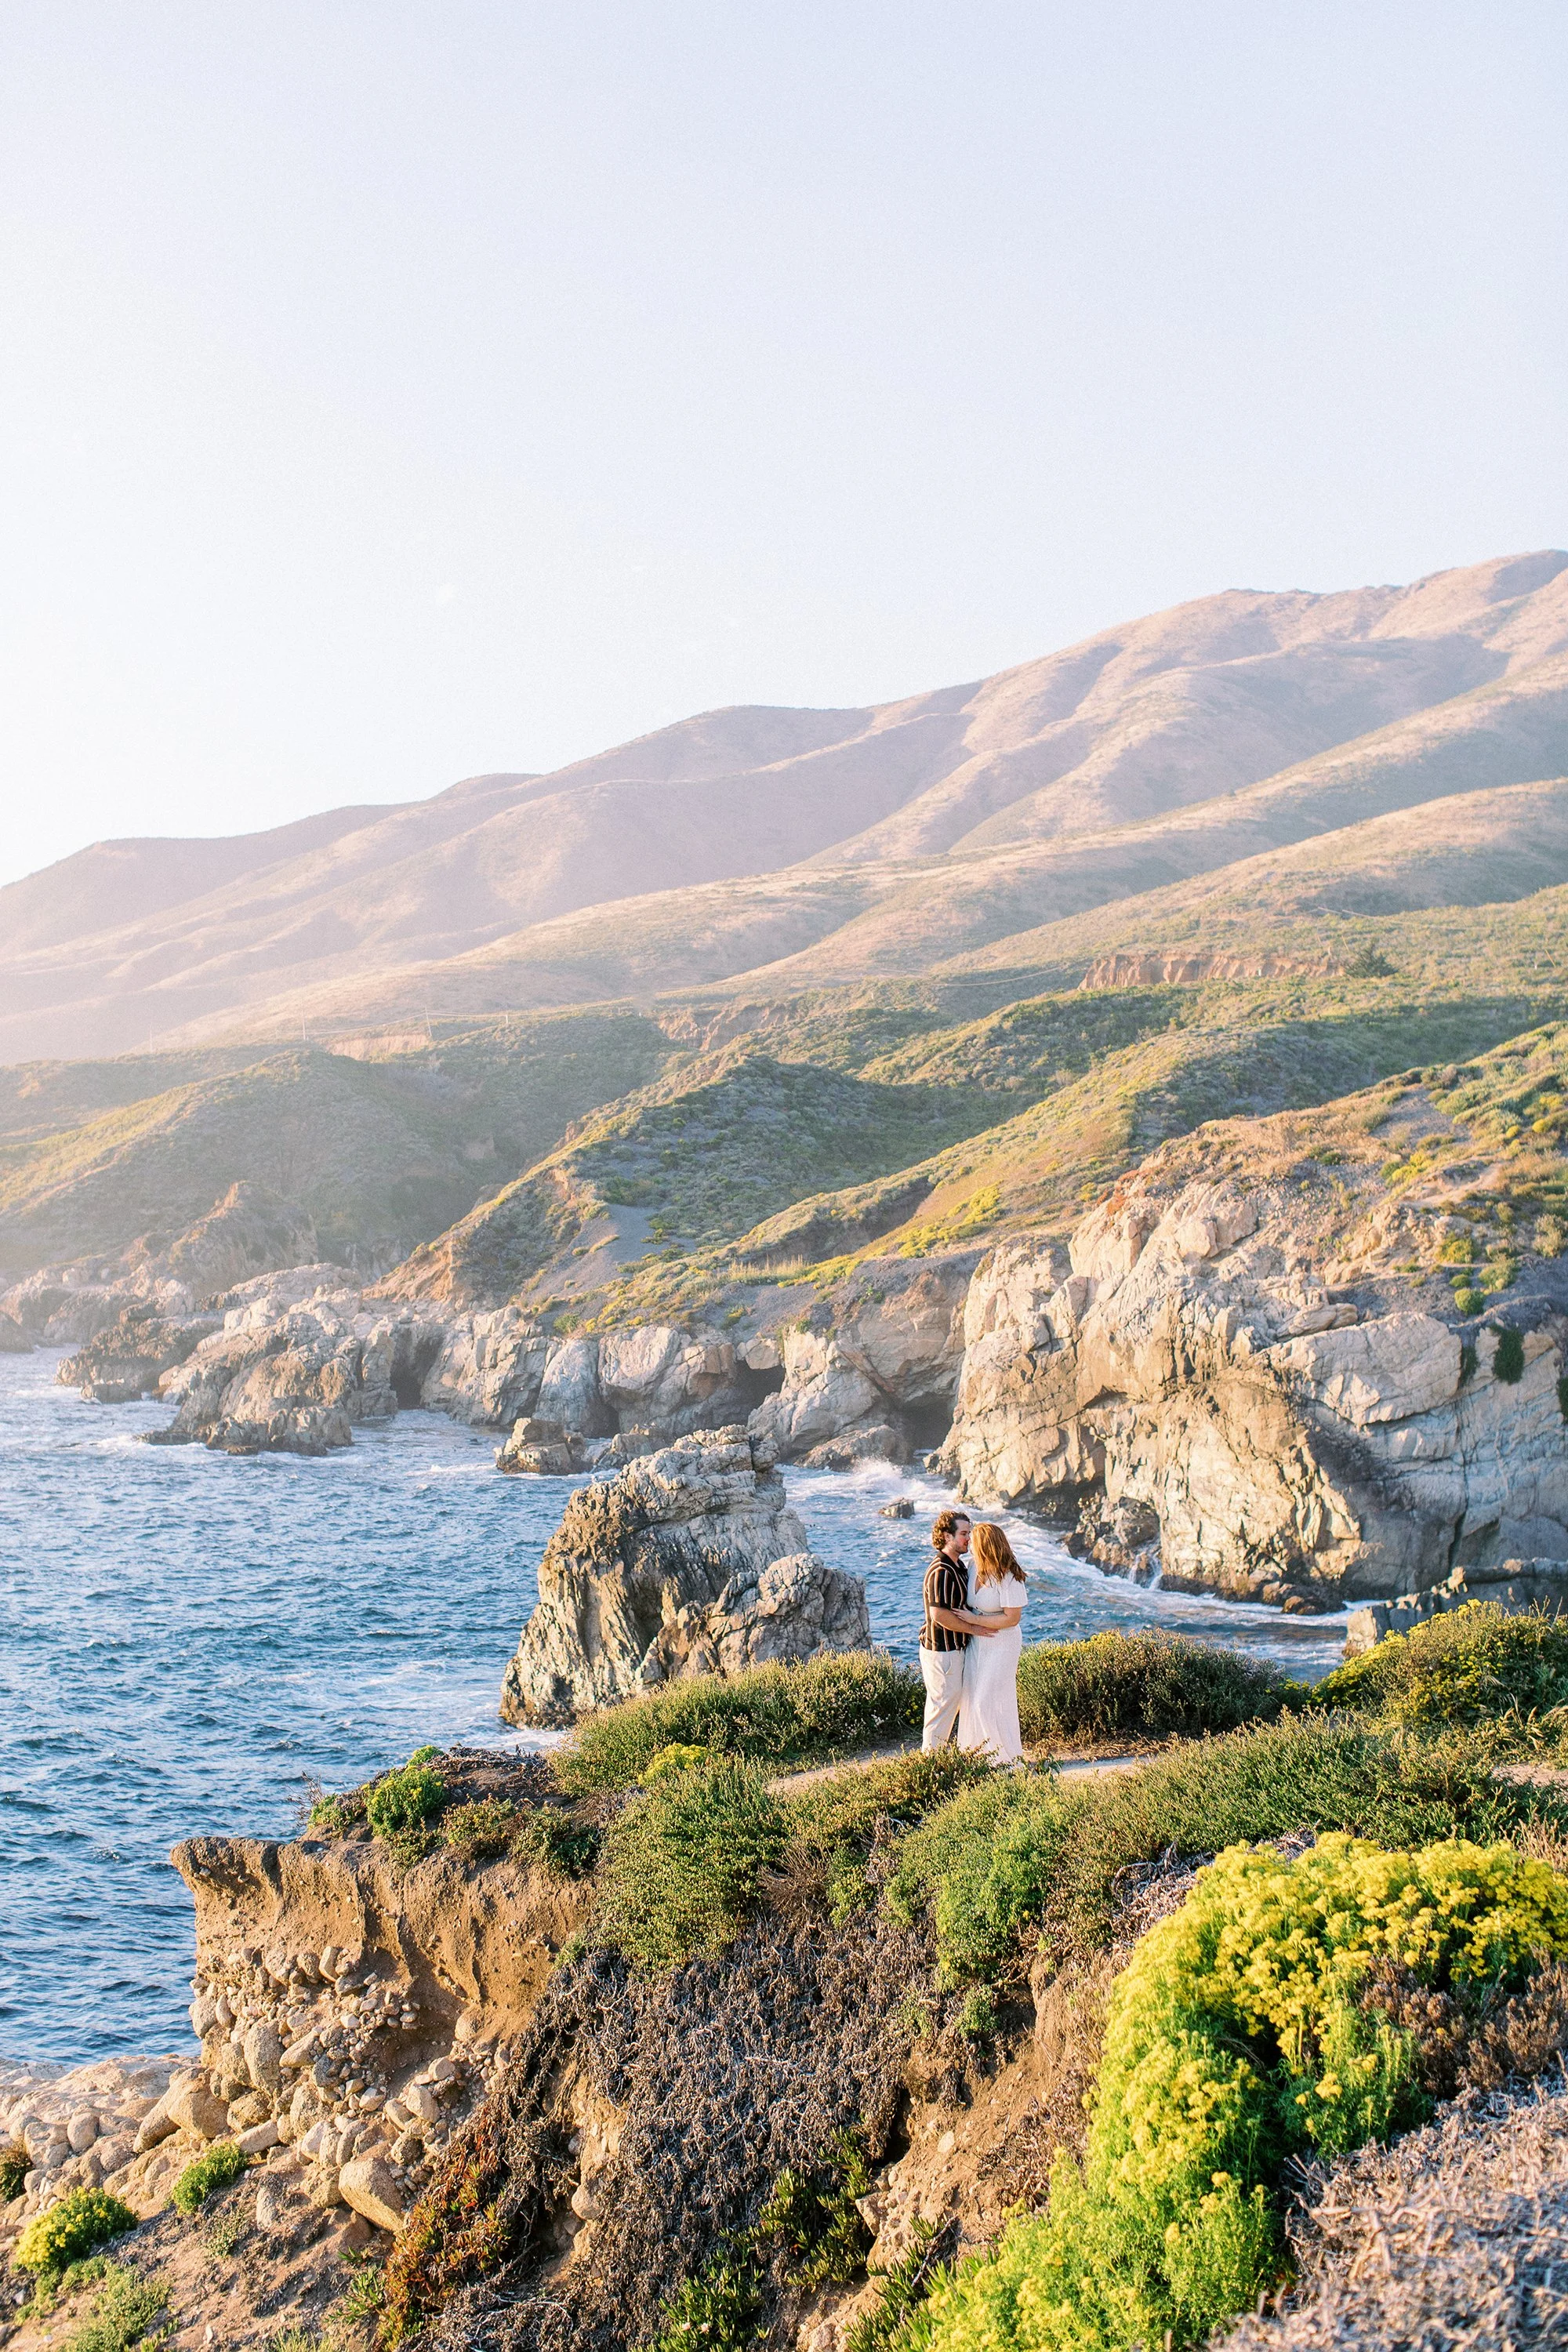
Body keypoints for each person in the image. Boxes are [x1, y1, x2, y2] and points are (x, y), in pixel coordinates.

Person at [919, 1508, 998, 1750]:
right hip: (943, 1652)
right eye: (964, 1534)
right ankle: (930, 1765)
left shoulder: (959, 1566)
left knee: (949, 1705)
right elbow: (939, 1614)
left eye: (969, 1532)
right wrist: (975, 1628)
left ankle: (938, 1760)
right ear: (946, 1536)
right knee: (942, 1707)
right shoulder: (942, 1571)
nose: (969, 1539)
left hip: (953, 1650)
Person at [956, 1523, 1027, 1766]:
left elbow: (1013, 1617)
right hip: (978, 1642)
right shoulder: (974, 1567)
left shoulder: (1009, 1576)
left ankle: (1002, 1760)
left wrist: (975, 1620)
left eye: (973, 1542)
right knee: (971, 1697)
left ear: (986, 1546)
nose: (969, 1545)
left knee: (986, 1700)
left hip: (1002, 1642)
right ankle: (977, 1758)